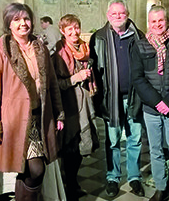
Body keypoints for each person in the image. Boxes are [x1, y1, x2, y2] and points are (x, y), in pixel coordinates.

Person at [0, 3, 64, 201]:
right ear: (9, 24)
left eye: (26, 19)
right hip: (16, 121)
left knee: (29, 170)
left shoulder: (40, 47)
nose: (22, 24)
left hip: (39, 117)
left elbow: (52, 83)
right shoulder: (2, 49)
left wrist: (58, 112)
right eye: (16, 19)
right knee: (35, 169)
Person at [131, 6, 169, 201]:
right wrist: (158, 102)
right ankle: (160, 187)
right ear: (148, 24)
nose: (157, 25)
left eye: (161, 21)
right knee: (155, 150)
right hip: (151, 108)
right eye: (153, 21)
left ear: (167, 21)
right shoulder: (140, 46)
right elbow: (138, 79)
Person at [89, 0, 145, 197]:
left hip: (135, 96)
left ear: (127, 14)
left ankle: (135, 177)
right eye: (114, 14)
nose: (118, 16)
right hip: (110, 98)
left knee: (135, 139)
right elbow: (93, 68)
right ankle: (113, 177)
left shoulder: (139, 36)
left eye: (121, 13)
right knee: (112, 141)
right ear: (107, 16)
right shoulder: (99, 38)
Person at [52, 14, 99, 200]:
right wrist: (76, 78)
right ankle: (69, 185)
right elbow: (56, 83)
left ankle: (74, 182)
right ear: (62, 31)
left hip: (84, 102)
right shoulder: (59, 53)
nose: (74, 32)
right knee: (69, 147)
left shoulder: (84, 48)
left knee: (80, 146)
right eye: (69, 29)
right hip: (69, 105)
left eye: (76, 27)